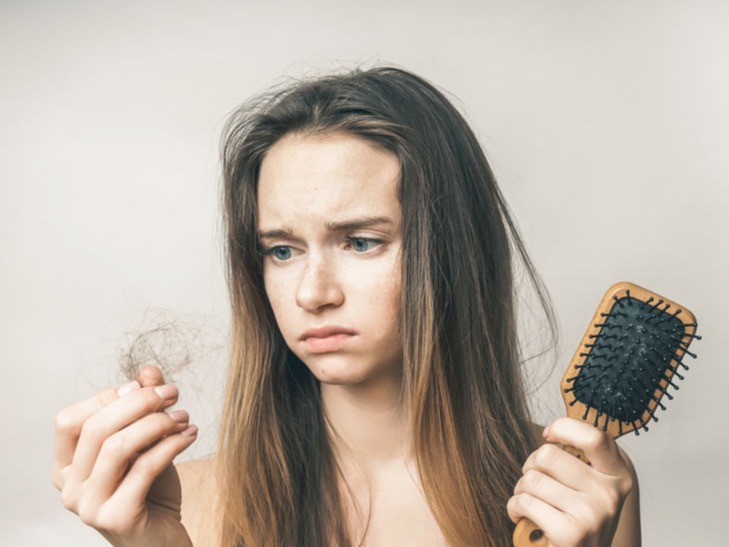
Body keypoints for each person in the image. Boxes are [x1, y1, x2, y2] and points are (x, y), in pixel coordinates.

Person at [52, 67, 640, 547]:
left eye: (361, 242)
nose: (313, 293)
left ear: (452, 255)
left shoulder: (575, 489)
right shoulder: (187, 504)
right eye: (281, 250)